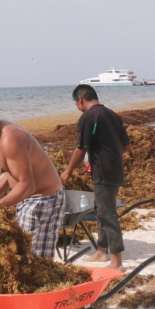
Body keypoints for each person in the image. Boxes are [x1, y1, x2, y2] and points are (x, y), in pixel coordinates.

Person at [0, 92, 65, 259]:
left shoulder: (9, 138)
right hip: (32, 199)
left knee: (32, 261)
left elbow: (27, 185)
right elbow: (12, 171)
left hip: (41, 201)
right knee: (27, 258)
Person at [59, 84, 131, 270]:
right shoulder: (112, 115)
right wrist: (108, 154)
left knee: (107, 214)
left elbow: (81, 148)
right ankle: (101, 251)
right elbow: (125, 146)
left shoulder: (89, 116)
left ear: (80, 100)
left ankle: (117, 261)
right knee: (102, 209)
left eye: (76, 103)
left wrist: (67, 172)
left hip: (103, 171)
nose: (77, 107)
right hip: (115, 169)